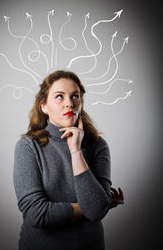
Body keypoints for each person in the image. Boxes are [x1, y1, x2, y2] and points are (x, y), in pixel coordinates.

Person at [13, 70, 124, 250]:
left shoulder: (97, 145)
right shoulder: (28, 146)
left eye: (75, 96)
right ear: (44, 106)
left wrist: (76, 151)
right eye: (59, 97)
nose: (69, 103)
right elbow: (37, 214)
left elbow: (96, 210)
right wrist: (95, 205)